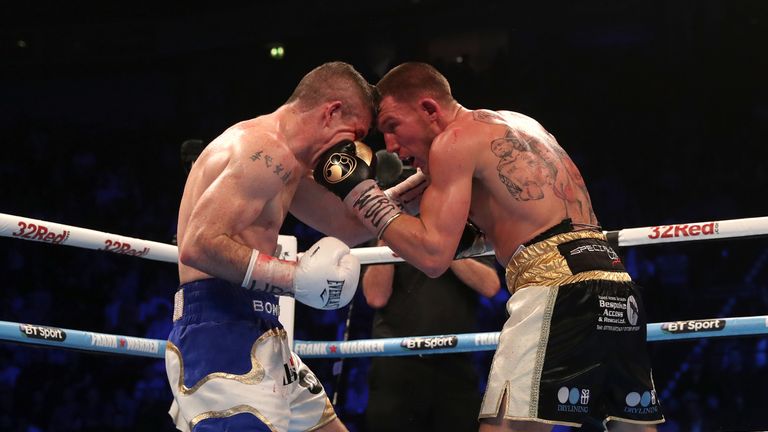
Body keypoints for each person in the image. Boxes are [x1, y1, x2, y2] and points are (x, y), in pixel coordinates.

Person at [313, 62, 665, 431]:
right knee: (630, 427)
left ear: (430, 110)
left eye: (392, 127)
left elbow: (433, 256)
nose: (392, 148)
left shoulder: (451, 143)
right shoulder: (516, 124)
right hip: (615, 283)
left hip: (554, 290)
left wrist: (363, 195)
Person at [168, 61, 379, 432]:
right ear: (331, 112)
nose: (350, 149)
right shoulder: (263, 149)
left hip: (263, 328)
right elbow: (197, 245)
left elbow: (348, 227)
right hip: (221, 328)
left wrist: (418, 190)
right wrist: (294, 277)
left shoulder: (289, 165)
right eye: (353, 134)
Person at [363, 237, 500, 432]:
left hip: (455, 361)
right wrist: (388, 241)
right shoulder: (387, 228)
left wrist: (442, 250)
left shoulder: (466, 229)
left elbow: (490, 285)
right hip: (396, 361)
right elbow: (375, 297)